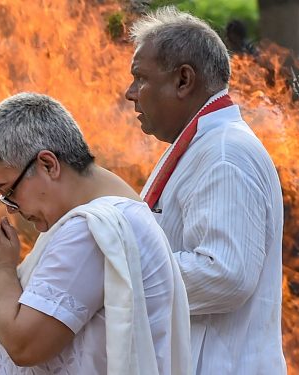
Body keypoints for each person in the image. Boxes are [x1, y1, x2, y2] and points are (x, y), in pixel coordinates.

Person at [0, 92, 190, 374]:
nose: (11, 209)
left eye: (9, 191)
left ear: (48, 164)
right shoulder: (108, 215)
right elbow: (8, 325)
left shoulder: (92, 231)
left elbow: (23, 345)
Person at [125, 7, 285, 374]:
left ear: (184, 80)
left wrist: (118, 272)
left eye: (140, 78)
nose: (130, 93)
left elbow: (225, 274)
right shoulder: (204, 146)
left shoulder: (224, 154)